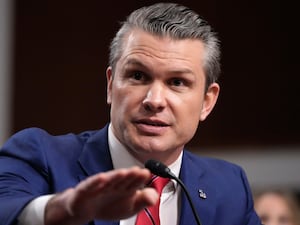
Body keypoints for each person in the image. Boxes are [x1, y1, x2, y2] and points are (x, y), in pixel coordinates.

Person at [0, 2, 262, 225]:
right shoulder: (41, 155)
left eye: (177, 82)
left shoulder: (229, 187)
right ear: (111, 85)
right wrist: (60, 210)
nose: (154, 100)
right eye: (138, 76)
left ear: (207, 101)